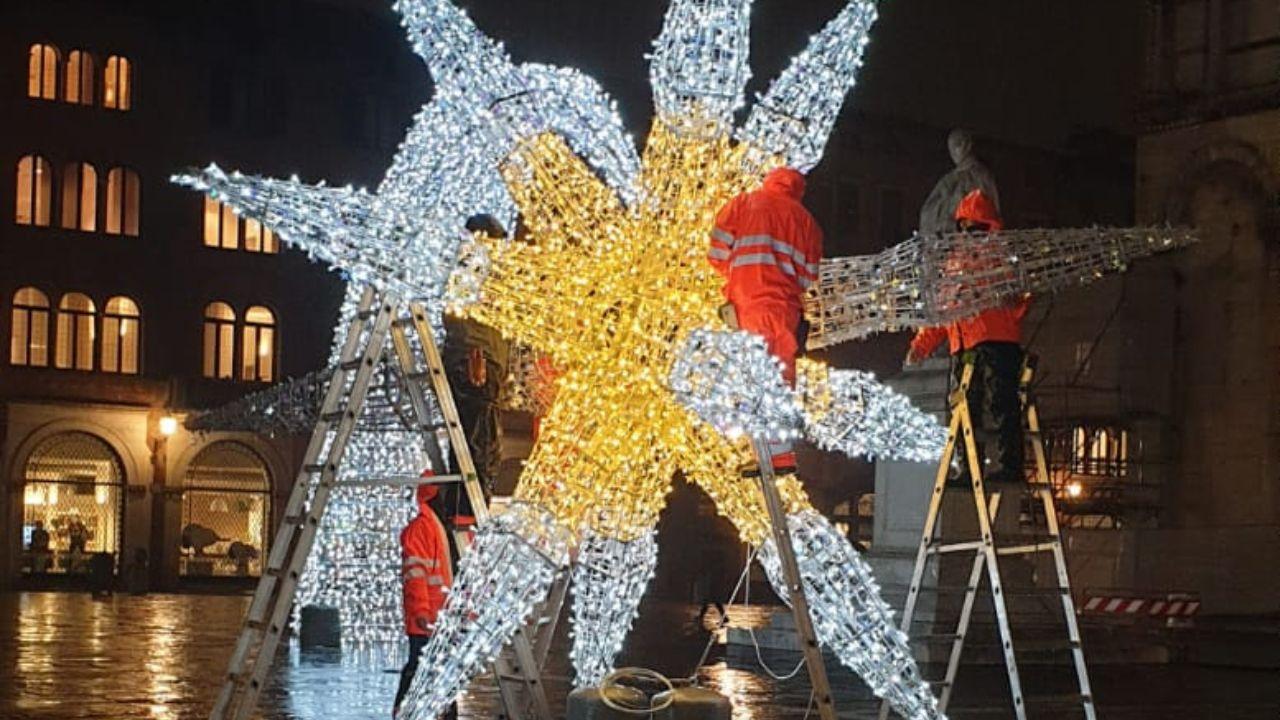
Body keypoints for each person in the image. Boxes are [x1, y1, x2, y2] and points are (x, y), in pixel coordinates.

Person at [906, 189, 1029, 486]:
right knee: (966, 408)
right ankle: (973, 468)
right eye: (964, 226)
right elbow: (944, 312)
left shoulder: (997, 255)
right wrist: (920, 346)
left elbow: (1018, 300)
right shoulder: (961, 262)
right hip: (970, 344)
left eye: (970, 225)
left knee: (995, 404)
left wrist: (921, 346)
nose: (965, 231)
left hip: (990, 341)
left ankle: (1005, 466)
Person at [708, 166, 823, 472]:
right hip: (785, 311)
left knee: (751, 376)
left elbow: (716, 251)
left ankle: (751, 441)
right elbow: (810, 275)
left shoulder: (744, 204)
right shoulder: (807, 222)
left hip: (750, 302)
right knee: (781, 378)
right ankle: (780, 453)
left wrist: (734, 275)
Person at [393, 474, 457, 720]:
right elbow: (415, 574)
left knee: (428, 667)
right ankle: (406, 711)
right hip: (427, 617)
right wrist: (420, 611)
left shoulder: (433, 526)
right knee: (420, 667)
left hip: (435, 616)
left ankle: (428, 711)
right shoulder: (423, 528)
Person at [918, 129, 1000, 237]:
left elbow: (991, 213)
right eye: (950, 147)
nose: (953, 152)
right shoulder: (947, 180)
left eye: (957, 145)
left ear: (968, 145)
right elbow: (927, 212)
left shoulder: (981, 175)